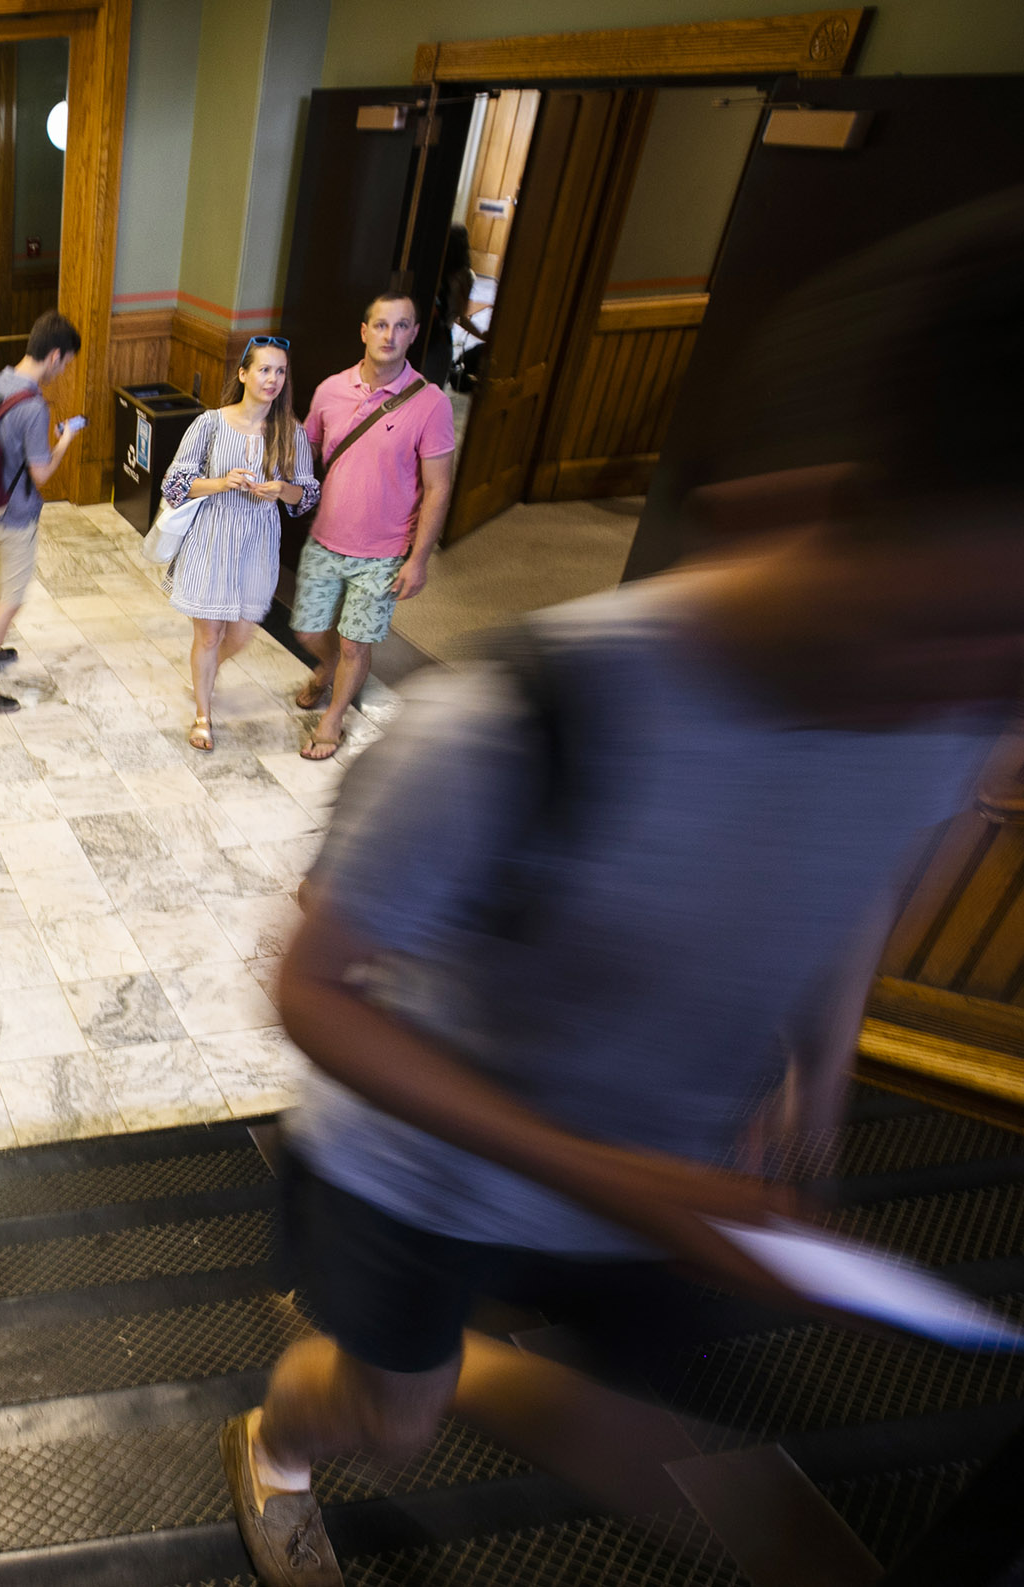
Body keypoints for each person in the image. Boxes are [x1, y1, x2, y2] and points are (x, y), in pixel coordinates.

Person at [221, 191, 1024, 1587]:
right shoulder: (516, 721)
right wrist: (613, 1177)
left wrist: (815, 1077)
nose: (981, 702)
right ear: (822, 514)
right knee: (386, 1418)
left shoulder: (947, 699)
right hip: (428, 1172)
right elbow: (311, 988)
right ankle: (280, 1441)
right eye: (961, 626)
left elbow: (851, 879)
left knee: (665, 1423)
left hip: (669, 1173)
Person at [289, 293, 456, 759]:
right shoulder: (330, 390)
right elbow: (305, 453)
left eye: (402, 326)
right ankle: (325, 670)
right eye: (381, 325)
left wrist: (418, 559)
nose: (390, 335)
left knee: (354, 645)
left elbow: (438, 489)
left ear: (415, 333)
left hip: (384, 552)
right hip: (325, 540)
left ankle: (333, 717)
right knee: (306, 630)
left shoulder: (431, 404)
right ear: (364, 332)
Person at [160, 336, 318, 752]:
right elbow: (174, 484)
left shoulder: (291, 432)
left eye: (280, 371)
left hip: (258, 544)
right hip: (211, 537)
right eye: (264, 369)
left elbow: (307, 496)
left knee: (242, 635)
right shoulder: (210, 423)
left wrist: (282, 490)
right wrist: (220, 482)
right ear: (244, 374)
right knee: (209, 636)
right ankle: (202, 715)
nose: (273, 379)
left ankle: (203, 674)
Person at [0, 310, 84, 713]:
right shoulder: (33, 407)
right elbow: (42, 472)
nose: (63, 371)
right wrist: (64, 439)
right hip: (15, 515)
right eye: (65, 363)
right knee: (10, 597)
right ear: (54, 356)